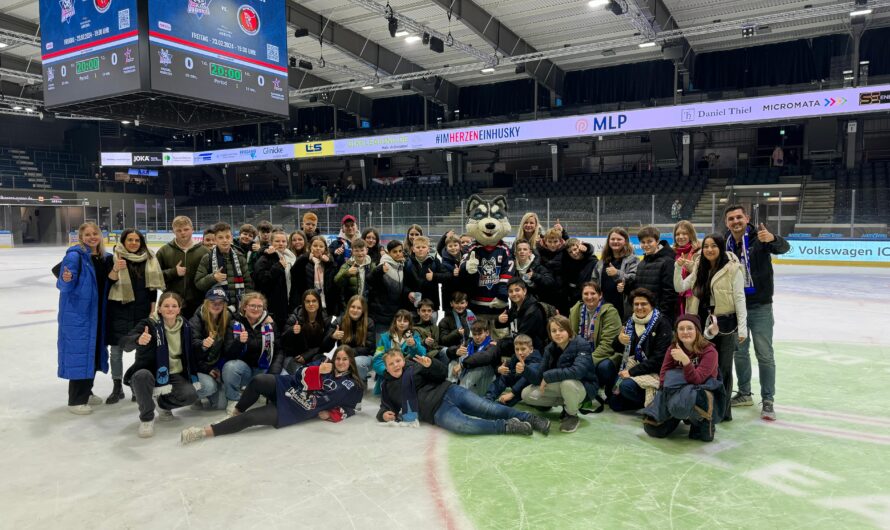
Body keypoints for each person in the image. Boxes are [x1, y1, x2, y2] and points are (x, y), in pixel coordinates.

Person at [180, 346, 364, 445]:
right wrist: (318, 369)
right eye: (338, 358)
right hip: (288, 387)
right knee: (259, 380)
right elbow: (298, 374)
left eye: (344, 359)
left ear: (351, 362)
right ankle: (235, 411)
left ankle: (204, 432)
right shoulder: (324, 364)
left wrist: (333, 414)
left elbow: (352, 408)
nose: (340, 362)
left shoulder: (353, 386)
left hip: (296, 408)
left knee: (251, 418)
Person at [377, 350, 550, 436]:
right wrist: (384, 414)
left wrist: (431, 364)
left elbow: (441, 373)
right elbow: (385, 407)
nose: (396, 365)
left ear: (403, 360)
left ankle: (530, 418)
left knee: (489, 408)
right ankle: (507, 426)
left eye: (398, 361)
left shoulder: (416, 365)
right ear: (386, 367)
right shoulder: (387, 386)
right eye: (391, 364)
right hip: (435, 411)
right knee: (464, 426)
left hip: (450, 391)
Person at [724, 206, 789, 420]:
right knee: (740, 353)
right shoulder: (725, 242)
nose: (735, 221)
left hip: (760, 305)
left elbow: (784, 247)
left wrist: (773, 238)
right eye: (731, 219)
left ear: (747, 219)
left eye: (739, 217)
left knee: (764, 354)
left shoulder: (759, 237)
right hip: (736, 306)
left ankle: (768, 399)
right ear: (726, 223)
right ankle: (744, 393)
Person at [674, 233, 748, 422]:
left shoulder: (733, 269)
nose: (709, 249)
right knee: (706, 368)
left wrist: (742, 328)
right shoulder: (700, 267)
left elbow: (740, 298)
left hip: (725, 325)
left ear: (721, 247)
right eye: (706, 246)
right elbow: (680, 287)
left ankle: (723, 411)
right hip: (702, 325)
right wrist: (677, 267)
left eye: (713, 246)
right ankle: (707, 407)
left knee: (723, 367)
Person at [120, 292, 199, 438]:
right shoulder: (148, 325)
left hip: (173, 373)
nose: (170, 309)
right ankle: (147, 418)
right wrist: (138, 339)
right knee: (141, 376)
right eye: (166, 306)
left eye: (174, 306)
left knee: (190, 395)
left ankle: (162, 404)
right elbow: (125, 342)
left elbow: (193, 349)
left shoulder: (186, 327)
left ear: (179, 309)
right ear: (159, 308)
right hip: (149, 372)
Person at [55, 222, 114, 415]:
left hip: (96, 314)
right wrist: (65, 278)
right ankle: (75, 400)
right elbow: (64, 285)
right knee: (80, 354)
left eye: (94, 233)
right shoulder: (75, 256)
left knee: (94, 352)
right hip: (79, 315)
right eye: (87, 234)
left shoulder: (104, 258)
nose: (92, 237)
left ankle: (87, 392)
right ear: (81, 237)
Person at [642, 314, 725, 442]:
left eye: (689, 328)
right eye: (681, 329)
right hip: (676, 390)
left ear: (697, 330)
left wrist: (686, 361)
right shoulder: (673, 348)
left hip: (700, 391)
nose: (685, 332)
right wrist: (663, 393)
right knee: (653, 429)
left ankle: (702, 419)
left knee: (700, 435)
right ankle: (677, 414)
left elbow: (698, 379)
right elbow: (664, 373)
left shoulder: (709, 351)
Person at [105, 228, 165, 404]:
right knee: (116, 351)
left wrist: (152, 309)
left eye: (137, 240)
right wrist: (115, 269)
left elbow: (152, 289)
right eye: (129, 240)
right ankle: (117, 387)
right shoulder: (114, 258)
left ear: (141, 242)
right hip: (119, 310)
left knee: (141, 350)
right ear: (123, 241)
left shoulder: (149, 260)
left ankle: (135, 383)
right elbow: (108, 283)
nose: (133, 243)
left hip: (141, 310)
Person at [521, 315, 597, 433]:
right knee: (526, 394)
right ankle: (568, 404)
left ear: (569, 330)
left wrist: (549, 376)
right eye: (554, 331)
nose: (557, 333)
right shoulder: (550, 349)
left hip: (583, 386)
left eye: (561, 330)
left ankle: (572, 415)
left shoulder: (582, 344)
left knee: (568, 384)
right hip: (561, 386)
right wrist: (525, 369)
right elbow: (539, 378)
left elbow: (577, 372)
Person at [610, 288, 673, 412]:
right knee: (614, 404)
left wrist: (631, 372)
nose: (639, 307)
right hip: (634, 365)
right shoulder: (630, 322)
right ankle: (634, 399)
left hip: (654, 371)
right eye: (636, 304)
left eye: (644, 304)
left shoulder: (662, 323)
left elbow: (659, 359)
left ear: (652, 305)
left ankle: (650, 402)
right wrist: (619, 340)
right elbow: (616, 348)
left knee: (625, 387)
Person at [220, 292, 278, 415]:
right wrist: (239, 342)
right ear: (244, 306)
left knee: (283, 375)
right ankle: (233, 399)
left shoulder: (270, 323)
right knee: (230, 367)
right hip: (244, 370)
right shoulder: (234, 323)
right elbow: (228, 355)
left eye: (259, 306)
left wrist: (274, 372)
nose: (256, 309)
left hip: (263, 368)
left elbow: (279, 350)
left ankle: (263, 390)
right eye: (252, 305)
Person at [569, 282, 622, 397]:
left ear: (600, 295)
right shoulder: (575, 310)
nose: (589, 297)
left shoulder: (610, 312)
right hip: (582, 354)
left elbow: (608, 345)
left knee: (604, 367)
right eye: (586, 294)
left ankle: (604, 389)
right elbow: (571, 338)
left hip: (607, 355)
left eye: (593, 293)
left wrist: (585, 362)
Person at [156, 215, 209, 319]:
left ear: (192, 230)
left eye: (186, 229)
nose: (183, 233)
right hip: (172, 304)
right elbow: (154, 277)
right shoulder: (164, 251)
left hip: (198, 303)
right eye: (178, 230)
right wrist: (173, 272)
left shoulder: (204, 251)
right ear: (173, 231)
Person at [188, 287, 232, 410]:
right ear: (206, 302)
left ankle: (210, 390)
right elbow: (191, 352)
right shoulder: (195, 321)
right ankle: (192, 395)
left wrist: (220, 368)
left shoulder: (228, 318)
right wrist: (203, 346)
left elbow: (227, 349)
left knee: (221, 405)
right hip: (198, 367)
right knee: (209, 387)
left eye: (220, 303)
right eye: (213, 302)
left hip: (215, 365)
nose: (217, 305)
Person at [195, 222, 253, 308]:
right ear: (215, 240)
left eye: (227, 237)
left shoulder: (240, 257)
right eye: (220, 237)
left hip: (238, 306)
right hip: (216, 307)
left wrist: (245, 303)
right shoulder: (207, 258)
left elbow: (248, 284)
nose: (225, 240)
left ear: (231, 238)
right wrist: (213, 278)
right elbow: (198, 283)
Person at [626, 226, 676, 324]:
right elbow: (639, 288)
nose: (646, 245)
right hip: (643, 314)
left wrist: (661, 316)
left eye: (649, 241)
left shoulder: (668, 262)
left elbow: (669, 293)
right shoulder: (642, 263)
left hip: (659, 317)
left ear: (657, 241)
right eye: (643, 242)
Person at [366, 239, 416, 335]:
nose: (398, 254)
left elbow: (402, 286)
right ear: (389, 253)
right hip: (381, 315)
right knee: (381, 346)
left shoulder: (401, 265)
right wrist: (380, 270)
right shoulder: (384, 264)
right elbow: (369, 280)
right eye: (394, 252)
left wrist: (408, 293)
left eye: (400, 251)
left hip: (395, 314)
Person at [371, 309, 427, 393]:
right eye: (399, 320)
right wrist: (386, 371)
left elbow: (422, 354)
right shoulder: (384, 337)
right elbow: (377, 359)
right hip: (388, 373)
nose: (402, 323)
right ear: (395, 322)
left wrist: (414, 346)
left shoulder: (414, 336)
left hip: (408, 373)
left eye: (405, 321)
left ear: (409, 323)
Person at [251, 230, 297, 331]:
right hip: (273, 305)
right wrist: (278, 267)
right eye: (277, 241)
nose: (281, 244)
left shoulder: (291, 257)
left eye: (283, 241)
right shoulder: (264, 258)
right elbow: (262, 280)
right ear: (271, 243)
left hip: (288, 302)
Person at [323, 295, 375, 381]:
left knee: (356, 362)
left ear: (363, 310)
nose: (355, 310)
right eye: (353, 307)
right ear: (348, 307)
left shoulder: (369, 323)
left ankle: (360, 383)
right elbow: (325, 347)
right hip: (344, 355)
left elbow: (369, 348)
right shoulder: (339, 321)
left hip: (364, 356)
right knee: (327, 361)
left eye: (359, 308)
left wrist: (347, 354)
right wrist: (331, 337)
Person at [591, 227, 637, 321]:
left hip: (623, 307)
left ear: (625, 241)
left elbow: (633, 278)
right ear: (608, 241)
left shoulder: (633, 260)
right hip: (604, 306)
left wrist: (617, 273)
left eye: (619, 239)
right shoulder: (602, 262)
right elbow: (594, 281)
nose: (615, 241)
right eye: (612, 239)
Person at [280, 289, 332, 374]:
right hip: (294, 357)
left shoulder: (325, 319)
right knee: (301, 375)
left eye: (314, 301)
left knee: (318, 373)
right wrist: (291, 331)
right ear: (303, 303)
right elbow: (282, 342)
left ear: (319, 302)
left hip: (315, 355)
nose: (311, 304)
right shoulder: (294, 318)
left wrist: (306, 356)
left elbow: (325, 345)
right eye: (308, 301)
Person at [290, 235, 341, 317]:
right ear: (310, 247)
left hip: (326, 305)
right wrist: (305, 258)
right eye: (315, 246)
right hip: (308, 304)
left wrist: (329, 263)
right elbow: (294, 273)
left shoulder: (329, 262)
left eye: (321, 246)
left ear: (325, 248)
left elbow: (335, 283)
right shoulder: (304, 260)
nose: (318, 248)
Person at [485, 334, 542, 406]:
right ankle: (488, 398)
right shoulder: (515, 357)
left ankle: (499, 406)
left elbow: (525, 380)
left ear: (531, 350)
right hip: (521, 388)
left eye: (523, 349)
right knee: (505, 376)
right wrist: (499, 369)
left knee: (522, 385)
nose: (520, 352)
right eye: (517, 349)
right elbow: (508, 373)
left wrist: (512, 393)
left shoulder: (536, 360)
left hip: (535, 391)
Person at [449, 319, 500, 396]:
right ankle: (451, 386)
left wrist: (462, 365)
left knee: (480, 367)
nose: (477, 337)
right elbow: (450, 350)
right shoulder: (469, 343)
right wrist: (456, 351)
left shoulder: (492, 345)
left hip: (484, 383)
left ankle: (459, 393)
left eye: (479, 334)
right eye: (474, 334)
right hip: (469, 382)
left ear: (487, 333)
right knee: (453, 361)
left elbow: (485, 357)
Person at [495, 278, 548, 351]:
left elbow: (521, 337)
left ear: (524, 291)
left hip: (532, 352)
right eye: (510, 291)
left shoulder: (533, 311)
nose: (514, 294)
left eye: (517, 290)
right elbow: (500, 324)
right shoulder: (515, 307)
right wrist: (499, 320)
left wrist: (499, 344)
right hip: (517, 348)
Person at [513, 239, 558, 309]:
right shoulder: (512, 269)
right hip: (519, 305)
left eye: (525, 249)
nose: (522, 251)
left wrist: (535, 276)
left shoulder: (538, 267)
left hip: (537, 306)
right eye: (519, 250)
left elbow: (550, 282)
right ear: (515, 253)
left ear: (530, 252)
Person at [559, 238, 597, 314]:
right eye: (570, 252)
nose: (574, 253)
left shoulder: (593, 261)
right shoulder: (568, 263)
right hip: (573, 301)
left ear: (580, 246)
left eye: (575, 249)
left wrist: (587, 247)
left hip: (589, 299)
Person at [408, 235, 446, 311]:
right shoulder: (408, 263)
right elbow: (404, 282)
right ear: (413, 249)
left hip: (431, 304)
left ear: (428, 249)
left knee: (432, 323)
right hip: (413, 306)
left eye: (423, 247)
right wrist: (408, 292)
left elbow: (446, 276)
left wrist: (434, 276)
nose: (420, 249)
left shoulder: (435, 261)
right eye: (418, 247)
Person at [672, 220, 700, 316]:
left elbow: (700, 274)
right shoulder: (672, 253)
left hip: (694, 299)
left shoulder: (698, 252)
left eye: (685, 234)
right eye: (677, 234)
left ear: (691, 235)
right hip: (675, 299)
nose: (680, 237)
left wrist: (688, 265)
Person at [334, 238, 374, 302]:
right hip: (351, 303)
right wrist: (347, 274)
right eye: (356, 251)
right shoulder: (347, 265)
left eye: (362, 250)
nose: (360, 253)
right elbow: (337, 281)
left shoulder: (372, 265)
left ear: (366, 250)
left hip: (368, 304)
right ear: (352, 251)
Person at [414, 299, 444, 364]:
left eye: (429, 311)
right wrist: (425, 342)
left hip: (435, 353)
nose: (426, 313)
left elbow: (437, 344)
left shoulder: (435, 327)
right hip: (422, 356)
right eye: (423, 311)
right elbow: (415, 345)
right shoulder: (414, 329)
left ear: (432, 312)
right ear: (418, 312)